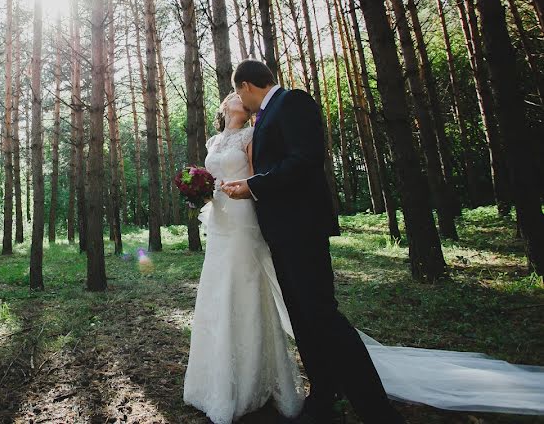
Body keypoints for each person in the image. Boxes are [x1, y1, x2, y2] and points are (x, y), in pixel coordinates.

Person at [188, 59, 544, 423]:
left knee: (323, 316)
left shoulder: (293, 102)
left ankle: (376, 409)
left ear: (247, 85)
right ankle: (323, 396)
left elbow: (305, 160)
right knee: (303, 317)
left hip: (302, 229)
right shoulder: (263, 117)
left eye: (238, 92)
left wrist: (253, 186)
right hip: (277, 232)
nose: (237, 100)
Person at [183, 90, 304, 423]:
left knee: (244, 288)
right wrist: (199, 193)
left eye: (242, 94)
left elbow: (257, 175)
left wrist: (246, 189)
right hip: (219, 218)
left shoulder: (252, 136)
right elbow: (211, 179)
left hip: (242, 217)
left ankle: (254, 380)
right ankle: (214, 381)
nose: (238, 98)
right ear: (224, 106)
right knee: (218, 290)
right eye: (232, 95)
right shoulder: (212, 141)